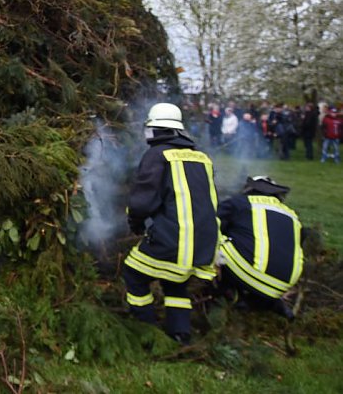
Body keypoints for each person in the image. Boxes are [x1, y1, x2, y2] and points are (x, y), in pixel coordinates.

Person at [123, 103, 220, 345]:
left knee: (133, 273)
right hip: (205, 242)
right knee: (176, 282)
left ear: (155, 130)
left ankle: (147, 329)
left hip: (176, 239)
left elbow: (143, 202)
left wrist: (135, 223)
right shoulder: (202, 158)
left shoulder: (158, 155)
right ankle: (180, 334)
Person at [216, 176, 303, 319]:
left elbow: (208, 224)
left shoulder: (240, 203)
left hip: (249, 273)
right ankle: (270, 302)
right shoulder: (291, 215)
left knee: (211, 237)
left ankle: (231, 295)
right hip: (283, 283)